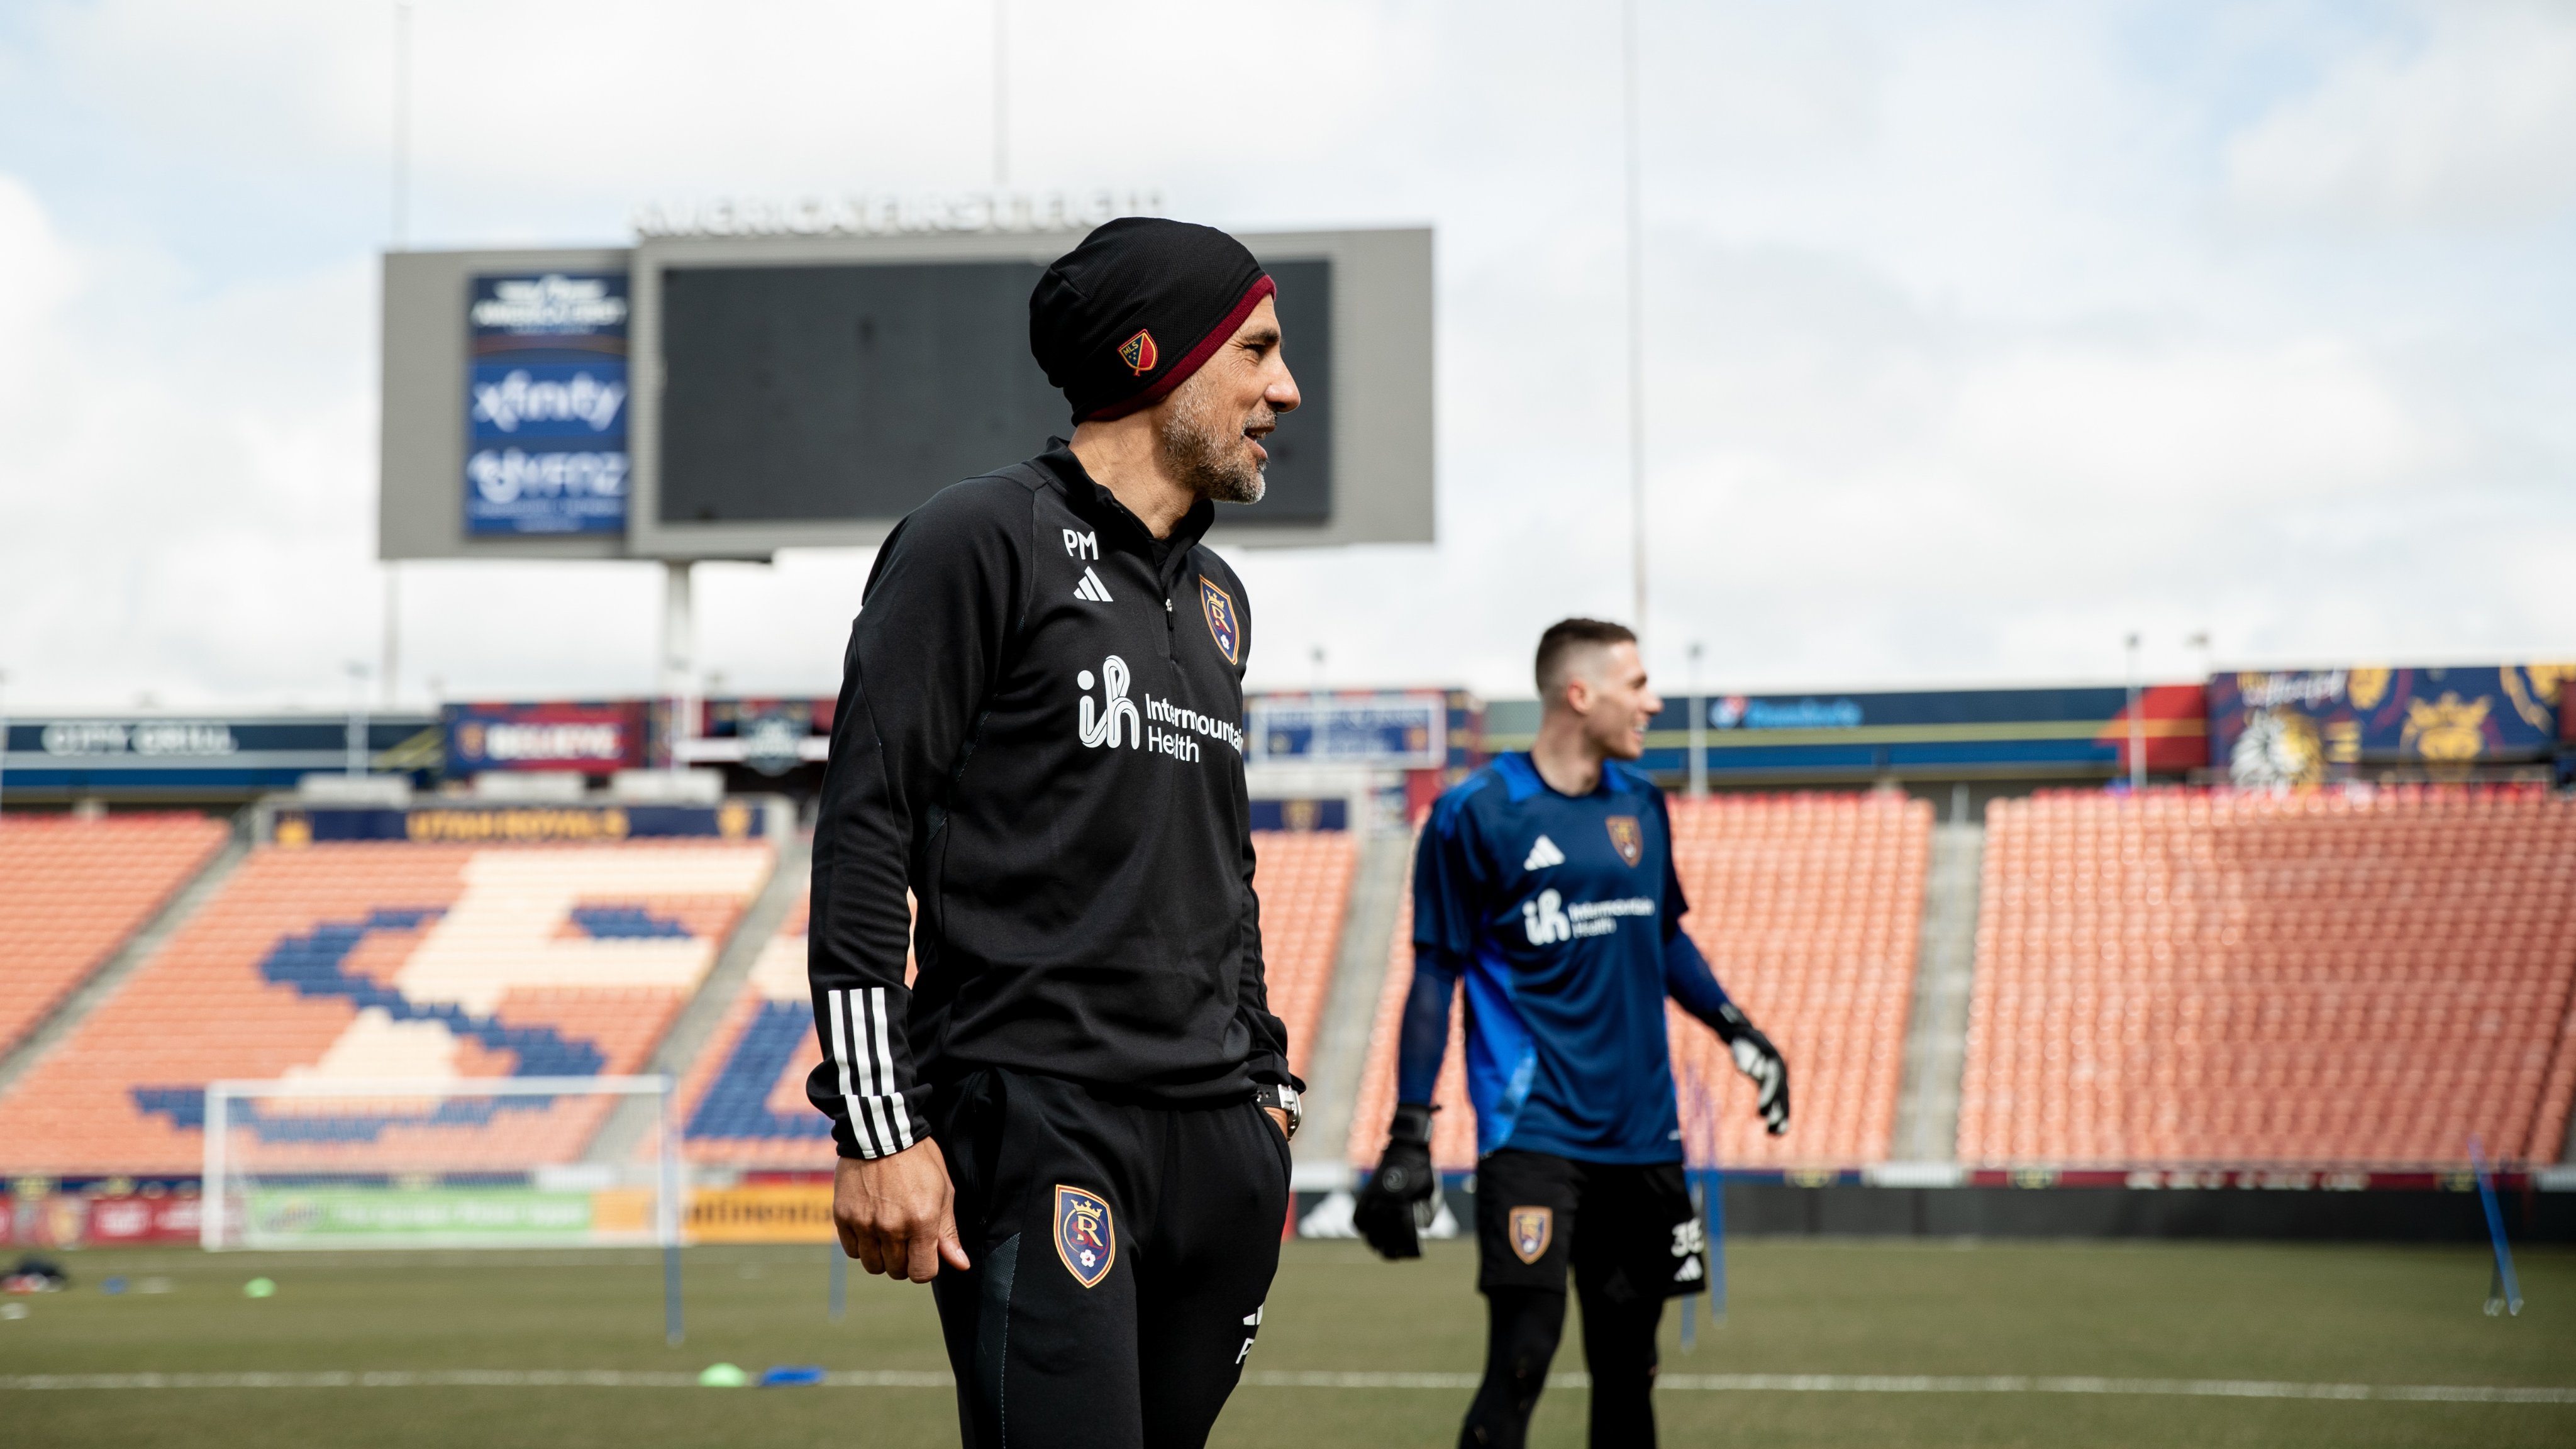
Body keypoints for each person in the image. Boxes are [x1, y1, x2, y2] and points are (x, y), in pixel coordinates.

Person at [806, 217, 1307, 1449]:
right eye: (1255, 351)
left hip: (1220, 1143)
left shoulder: (1218, 600)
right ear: (1156, 359)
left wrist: (1265, 1083)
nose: (1283, 390)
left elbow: (1220, 870)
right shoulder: (978, 541)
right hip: (1042, 1125)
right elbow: (868, 829)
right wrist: (878, 1124)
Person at [1353, 617, 1791, 1449]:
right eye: (1638, 686)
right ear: (1578, 694)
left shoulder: (1642, 803)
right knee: (1521, 1363)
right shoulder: (1473, 814)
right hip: (1534, 1131)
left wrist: (1740, 1031)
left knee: (1632, 1374)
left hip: (1644, 1136)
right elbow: (1436, 971)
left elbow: (1662, 935)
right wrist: (1411, 1132)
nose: (1654, 703)